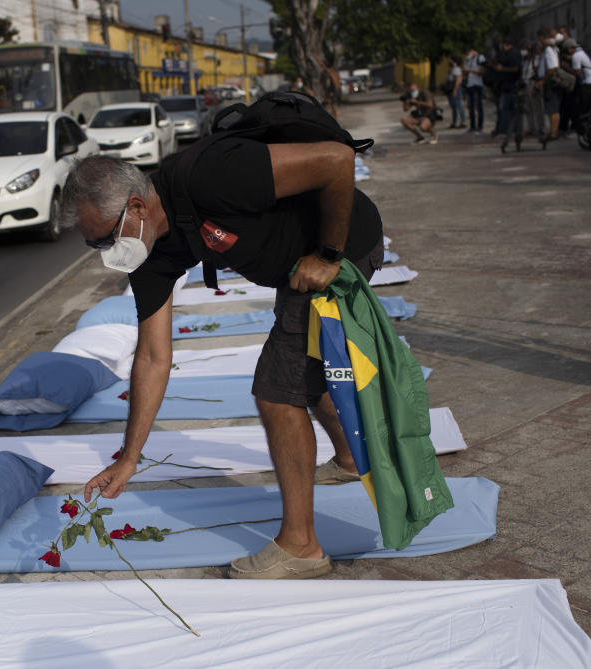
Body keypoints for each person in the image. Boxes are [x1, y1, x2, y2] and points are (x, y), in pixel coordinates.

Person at [63, 132, 384, 579]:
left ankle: (301, 547)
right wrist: (129, 457)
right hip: (294, 266)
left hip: (344, 241)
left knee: (276, 391)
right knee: (297, 369)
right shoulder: (150, 254)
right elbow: (153, 356)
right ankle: (351, 460)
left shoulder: (211, 176)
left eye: (104, 240)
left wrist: (328, 255)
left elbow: (336, 159)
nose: (106, 255)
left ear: (136, 208)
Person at [537, 27, 562, 145]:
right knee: (551, 108)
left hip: (550, 82)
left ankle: (554, 133)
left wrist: (544, 80)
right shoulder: (551, 48)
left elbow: (552, 68)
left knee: (553, 109)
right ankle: (553, 131)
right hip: (549, 81)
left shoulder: (548, 50)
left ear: (542, 38)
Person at [493, 36, 522, 136]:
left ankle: (505, 130)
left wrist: (502, 69)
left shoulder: (513, 54)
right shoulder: (507, 54)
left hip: (511, 85)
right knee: (508, 109)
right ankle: (510, 129)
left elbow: (515, 68)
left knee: (506, 108)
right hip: (506, 85)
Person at [564, 38, 591, 136]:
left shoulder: (576, 56)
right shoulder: (582, 53)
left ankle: (581, 130)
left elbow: (578, 73)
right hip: (589, 83)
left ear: (571, 48)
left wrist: (567, 68)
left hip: (586, 85)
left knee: (582, 109)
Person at [522, 40, 545, 137]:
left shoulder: (537, 60)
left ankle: (540, 128)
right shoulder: (525, 61)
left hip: (533, 84)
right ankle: (531, 127)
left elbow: (538, 73)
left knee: (537, 107)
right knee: (528, 107)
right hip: (526, 84)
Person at [463, 46, 487, 132]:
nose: (467, 55)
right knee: (471, 107)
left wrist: (470, 70)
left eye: (468, 53)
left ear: (472, 51)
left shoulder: (480, 58)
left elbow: (482, 72)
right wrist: (465, 71)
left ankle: (480, 126)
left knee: (478, 106)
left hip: (477, 85)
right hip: (469, 85)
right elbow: (465, 71)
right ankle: (472, 126)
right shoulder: (467, 60)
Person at [445, 56, 467, 128]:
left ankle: (463, 122)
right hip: (452, 89)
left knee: (458, 105)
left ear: (455, 62)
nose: (449, 61)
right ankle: (454, 123)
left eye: (451, 60)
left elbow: (457, 81)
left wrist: (455, 90)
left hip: (455, 88)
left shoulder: (456, 69)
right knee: (454, 107)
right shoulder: (453, 69)